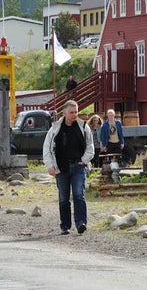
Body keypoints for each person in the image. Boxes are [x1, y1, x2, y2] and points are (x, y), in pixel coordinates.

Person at [43, 100, 94, 235]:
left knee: (79, 194)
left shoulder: (83, 127)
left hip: (78, 166)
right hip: (61, 167)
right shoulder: (55, 129)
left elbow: (90, 147)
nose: (74, 114)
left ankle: (81, 223)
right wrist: (50, 166)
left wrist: (84, 160)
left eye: (76, 112)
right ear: (64, 113)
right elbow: (47, 148)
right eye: (71, 112)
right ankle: (65, 226)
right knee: (64, 198)